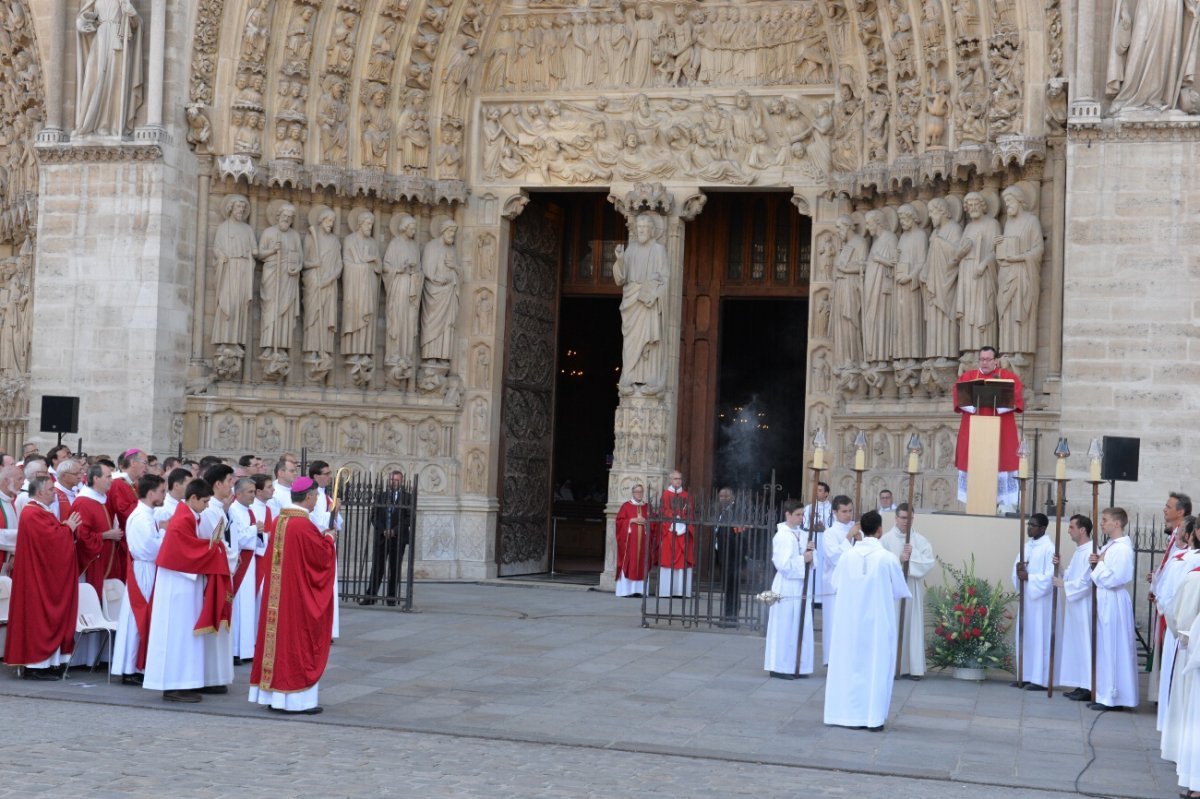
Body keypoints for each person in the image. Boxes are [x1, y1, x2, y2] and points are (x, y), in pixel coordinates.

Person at [249, 476, 337, 715]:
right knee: (296, 644)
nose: (317, 499)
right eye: (316, 496)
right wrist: (329, 539)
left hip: (278, 595)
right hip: (296, 597)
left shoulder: (280, 520)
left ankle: (273, 695)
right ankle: (296, 700)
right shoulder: (302, 525)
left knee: (276, 642)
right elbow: (320, 559)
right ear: (307, 496)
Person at [142, 479, 232, 703]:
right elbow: (184, 551)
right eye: (204, 501)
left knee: (183, 636)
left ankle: (182, 683)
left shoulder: (189, 515)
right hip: (177, 586)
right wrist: (213, 548)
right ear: (192, 498)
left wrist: (211, 546)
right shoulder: (182, 519)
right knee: (177, 636)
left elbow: (191, 547)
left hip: (183, 582)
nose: (206, 505)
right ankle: (174, 686)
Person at [823, 510, 911, 731]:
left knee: (848, 666)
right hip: (876, 624)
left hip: (849, 623)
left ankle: (842, 715)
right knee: (876, 667)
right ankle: (872, 718)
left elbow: (835, 584)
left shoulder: (847, 556)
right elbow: (900, 590)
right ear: (880, 531)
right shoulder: (887, 559)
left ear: (861, 530)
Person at [2, 476, 82, 679]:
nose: (54, 493)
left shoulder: (41, 512)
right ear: (39, 493)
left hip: (44, 577)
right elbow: (51, 542)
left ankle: (51, 663)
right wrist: (67, 529)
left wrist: (63, 528)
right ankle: (35, 666)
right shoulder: (32, 513)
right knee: (39, 619)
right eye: (50, 490)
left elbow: (52, 536)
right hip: (36, 579)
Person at [111, 474, 166, 685]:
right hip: (144, 569)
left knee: (140, 617)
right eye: (162, 491)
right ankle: (131, 667)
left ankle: (136, 665)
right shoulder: (141, 517)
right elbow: (150, 549)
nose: (164, 495)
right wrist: (164, 532)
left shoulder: (147, 514)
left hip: (146, 569)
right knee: (138, 617)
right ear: (151, 493)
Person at [953, 346, 1024, 508]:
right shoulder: (968, 377)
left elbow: (1017, 399)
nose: (984, 363)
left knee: (1002, 469)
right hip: (974, 434)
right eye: (982, 359)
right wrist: (974, 405)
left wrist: (998, 402)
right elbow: (958, 397)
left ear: (996, 361)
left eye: (988, 359)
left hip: (1001, 433)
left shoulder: (1008, 377)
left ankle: (1001, 507)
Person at [1089, 507, 1139, 712]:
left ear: (1117, 523)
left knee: (1114, 645)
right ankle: (1105, 692)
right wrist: (1096, 563)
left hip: (1114, 600)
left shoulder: (1123, 549)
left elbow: (1117, 577)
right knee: (1105, 646)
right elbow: (1100, 570)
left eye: (1105, 520)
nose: (1102, 523)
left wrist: (1098, 566)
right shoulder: (1110, 546)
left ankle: (1115, 695)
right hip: (1105, 598)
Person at [613, 214, 667, 393]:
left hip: (647, 302)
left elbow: (665, 279)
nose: (641, 230)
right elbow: (621, 279)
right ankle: (628, 376)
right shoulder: (632, 249)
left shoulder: (658, 250)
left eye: (645, 227)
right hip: (631, 301)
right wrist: (620, 259)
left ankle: (650, 378)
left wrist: (656, 294)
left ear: (652, 231)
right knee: (631, 340)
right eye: (639, 227)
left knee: (648, 340)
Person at [880, 503, 935, 679]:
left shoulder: (920, 540)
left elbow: (928, 563)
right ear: (896, 518)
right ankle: (893, 666)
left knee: (912, 626)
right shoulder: (886, 540)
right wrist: (899, 560)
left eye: (909, 518)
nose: (906, 522)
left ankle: (913, 667)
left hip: (912, 588)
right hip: (893, 592)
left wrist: (913, 555)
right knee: (893, 625)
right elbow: (880, 565)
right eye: (903, 518)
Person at [763, 499, 815, 679]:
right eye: (798, 515)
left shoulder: (801, 533)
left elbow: (809, 560)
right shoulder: (783, 535)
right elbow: (783, 564)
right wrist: (804, 559)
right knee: (784, 626)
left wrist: (810, 554)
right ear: (787, 514)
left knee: (801, 624)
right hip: (786, 585)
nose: (801, 518)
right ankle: (779, 667)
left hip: (800, 584)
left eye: (802, 515)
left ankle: (797, 665)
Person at [1151, 492, 1190, 702]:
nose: (1164, 509)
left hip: (1172, 604)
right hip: (1164, 599)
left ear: (1181, 511)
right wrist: (1156, 581)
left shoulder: (1182, 540)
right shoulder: (1173, 534)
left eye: (1169, 506)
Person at [1053, 514, 1094, 700]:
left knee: (1085, 644)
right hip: (1075, 607)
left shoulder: (1091, 551)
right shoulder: (1080, 551)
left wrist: (1063, 585)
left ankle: (1088, 687)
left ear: (1082, 530)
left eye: (1071, 527)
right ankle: (1080, 683)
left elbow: (1086, 582)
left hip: (1084, 607)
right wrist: (1060, 568)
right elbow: (1071, 574)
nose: (1068, 531)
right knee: (1076, 645)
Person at [1012, 513, 1054, 690]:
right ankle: (1026, 674)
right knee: (1026, 636)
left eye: (1033, 525)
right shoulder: (1027, 546)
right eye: (1028, 524)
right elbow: (1016, 571)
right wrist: (1018, 571)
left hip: (1041, 602)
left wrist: (1029, 577)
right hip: (1028, 599)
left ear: (1043, 528)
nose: (1029, 527)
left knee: (1039, 637)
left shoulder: (1049, 548)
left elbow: (1050, 576)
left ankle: (1041, 679)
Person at [227, 477, 266, 665]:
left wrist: (257, 532)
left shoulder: (248, 510)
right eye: (250, 492)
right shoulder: (233, 511)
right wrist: (254, 529)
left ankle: (246, 648)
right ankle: (235, 649)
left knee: (247, 606)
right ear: (239, 493)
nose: (253, 495)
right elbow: (238, 539)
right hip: (240, 561)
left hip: (249, 563)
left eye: (254, 491)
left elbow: (253, 537)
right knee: (239, 606)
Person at [74, 461, 125, 598]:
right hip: (93, 562)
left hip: (107, 557)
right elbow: (82, 537)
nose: (111, 480)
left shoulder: (101, 498)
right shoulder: (83, 502)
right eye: (108, 477)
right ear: (96, 478)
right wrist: (105, 535)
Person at [820, 495, 860, 665]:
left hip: (854, 582)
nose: (848, 515)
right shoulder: (829, 533)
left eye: (850, 511)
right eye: (844, 511)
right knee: (834, 621)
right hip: (835, 585)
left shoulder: (858, 529)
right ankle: (832, 658)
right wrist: (848, 538)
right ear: (835, 512)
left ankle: (850, 656)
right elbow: (834, 558)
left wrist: (861, 540)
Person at [362, 470, 409, 606]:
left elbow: (409, 518)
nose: (394, 482)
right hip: (382, 537)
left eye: (397, 480)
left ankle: (391, 598)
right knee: (377, 567)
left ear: (402, 481)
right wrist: (383, 530)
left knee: (394, 568)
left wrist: (394, 531)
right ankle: (370, 596)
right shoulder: (381, 496)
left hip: (398, 537)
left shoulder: (408, 497)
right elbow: (374, 516)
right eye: (392, 480)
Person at [308, 461, 341, 638]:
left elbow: (337, 523)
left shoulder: (326, 495)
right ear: (315, 476)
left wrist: (335, 512)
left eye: (329, 473)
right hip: (319, 543)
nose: (329, 477)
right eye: (326, 473)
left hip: (329, 543)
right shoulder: (313, 495)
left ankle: (329, 629)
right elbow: (316, 521)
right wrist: (331, 513)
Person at [656, 470, 694, 597]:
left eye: (680, 478)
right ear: (670, 480)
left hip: (683, 531)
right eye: (676, 478)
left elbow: (690, 513)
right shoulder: (666, 495)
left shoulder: (686, 496)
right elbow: (663, 511)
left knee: (682, 561)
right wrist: (674, 518)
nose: (678, 481)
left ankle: (681, 591)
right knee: (668, 559)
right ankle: (666, 591)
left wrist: (683, 516)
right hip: (670, 532)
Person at [713, 486, 745, 623]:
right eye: (721, 496)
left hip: (733, 555)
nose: (723, 499)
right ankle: (727, 613)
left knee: (732, 586)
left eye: (726, 496)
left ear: (732, 497)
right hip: (723, 555)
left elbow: (740, 535)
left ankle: (732, 615)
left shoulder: (736, 512)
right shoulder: (723, 512)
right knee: (727, 586)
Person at [614, 484, 649, 598]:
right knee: (629, 563)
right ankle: (626, 591)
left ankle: (639, 590)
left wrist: (646, 521)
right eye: (637, 492)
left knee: (641, 563)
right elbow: (619, 522)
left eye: (641, 492)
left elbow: (654, 523)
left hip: (643, 543)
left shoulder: (647, 507)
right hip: (629, 543)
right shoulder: (626, 506)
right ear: (633, 493)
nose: (639, 494)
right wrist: (631, 520)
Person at [801, 481, 832, 600]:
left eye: (819, 490)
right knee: (814, 567)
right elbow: (803, 525)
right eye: (815, 490)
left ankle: (822, 598)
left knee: (824, 567)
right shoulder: (809, 508)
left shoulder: (832, 509)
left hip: (825, 542)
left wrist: (825, 528)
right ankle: (813, 596)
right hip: (813, 540)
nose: (816, 493)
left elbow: (835, 526)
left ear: (826, 493)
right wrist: (813, 527)